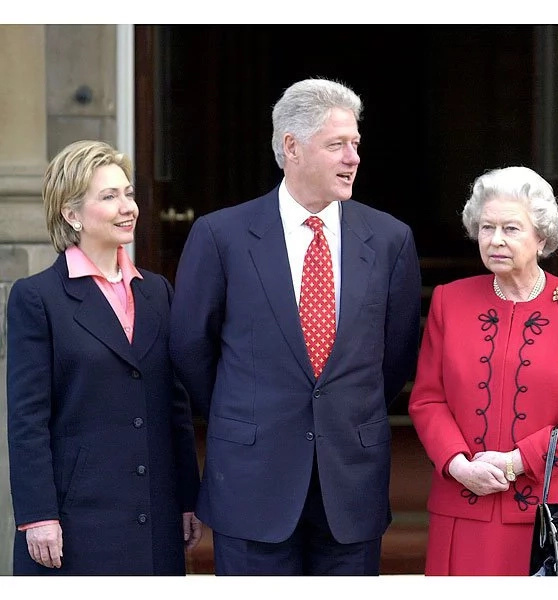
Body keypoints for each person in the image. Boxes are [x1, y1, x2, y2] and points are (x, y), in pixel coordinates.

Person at [168, 77, 422, 576]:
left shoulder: (391, 239)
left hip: (351, 483)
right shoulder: (221, 235)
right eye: (337, 145)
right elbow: (190, 348)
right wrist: (246, 411)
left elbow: (395, 357)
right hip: (251, 481)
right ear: (292, 147)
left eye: (355, 145)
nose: (353, 158)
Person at [6, 140, 202, 575]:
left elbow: (175, 408)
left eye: (128, 193)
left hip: (155, 517)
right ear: (71, 214)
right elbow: (27, 419)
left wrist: (188, 499)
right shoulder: (37, 298)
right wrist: (38, 516)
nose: (127, 206)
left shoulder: (157, 292)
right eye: (109, 196)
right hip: (77, 522)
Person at [407, 165, 558, 575]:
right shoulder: (450, 301)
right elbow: (428, 398)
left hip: (548, 515)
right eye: (486, 228)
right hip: (462, 507)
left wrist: (516, 462)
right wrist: (458, 465)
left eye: (511, 228)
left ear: (542, 236)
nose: (495, 240)